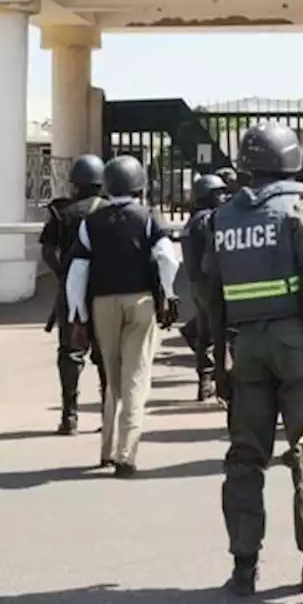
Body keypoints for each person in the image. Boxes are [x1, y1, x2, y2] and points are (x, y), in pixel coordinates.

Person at [203, 121, 303, 596]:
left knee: (246, 458)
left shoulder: (223, 217)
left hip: (244, 347)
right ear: (290, 160)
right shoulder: (298, 208)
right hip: (293, 346)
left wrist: (219, 359)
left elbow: (213, 295)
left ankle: (243, 567)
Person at [66, 155, 180, 477]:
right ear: (140, 185)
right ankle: (126, 454)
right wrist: (168, 294)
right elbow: (166, 258)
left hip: (103, 304)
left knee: (112, 377)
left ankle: (107, 448)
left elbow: (77, 271)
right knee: (136, 376)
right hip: (141, 302)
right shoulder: (147, 217)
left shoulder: (92, 221)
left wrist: (78, 313)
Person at [39, 155, 109, 433]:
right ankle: (107, 413)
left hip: (71, 293)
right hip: (103, 290)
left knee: (70, 354)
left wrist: (63, 275)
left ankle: (70, 416)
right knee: (105, 354)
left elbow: (47, 250)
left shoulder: (63, 212)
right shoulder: (108, 210)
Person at [181, 173, 229, 401]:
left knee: (204, 333)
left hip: (196, 284)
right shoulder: (208, 220)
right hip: (210, 282)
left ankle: (205, 381)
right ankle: (219, 380)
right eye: (217, 193)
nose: (223, 197)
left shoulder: (192, 221)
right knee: (218, 332)